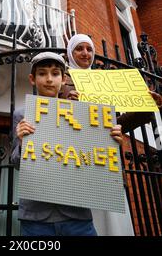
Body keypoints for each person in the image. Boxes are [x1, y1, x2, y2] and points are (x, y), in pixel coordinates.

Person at [11, 51, 123, 237]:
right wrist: (22, 143)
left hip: (77, 214)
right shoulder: (22, 115)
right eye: (42, 73)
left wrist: (110, 142)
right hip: (36, 216)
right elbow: (16, 162)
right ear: (32, 78)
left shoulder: (82, 113)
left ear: (63, 79)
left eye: (55, 74)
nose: (49, 79)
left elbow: (92, 157)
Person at [62, 33, 162, 236]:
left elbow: (117, 124)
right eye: (79, 48)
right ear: (70, 53)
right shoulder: (60, 80)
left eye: (89, 49)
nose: (85, 53)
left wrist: (145, 105)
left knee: (113, 226)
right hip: (76, 162)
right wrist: (68, 104)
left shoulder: (104, 81)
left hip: (106, 162)